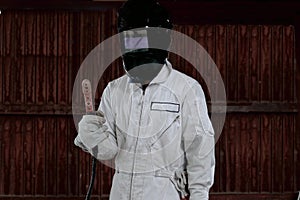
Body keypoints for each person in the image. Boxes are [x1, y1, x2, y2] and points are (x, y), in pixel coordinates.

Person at [74, 0, 215, 199]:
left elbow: (200, 148)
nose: (139, 48)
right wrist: (90, 133)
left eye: (146, 40)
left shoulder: (186, 89)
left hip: (162, 191)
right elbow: (108, 151)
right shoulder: (115, 90)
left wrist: (199, 195)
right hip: (121, 191)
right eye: (132, 40)